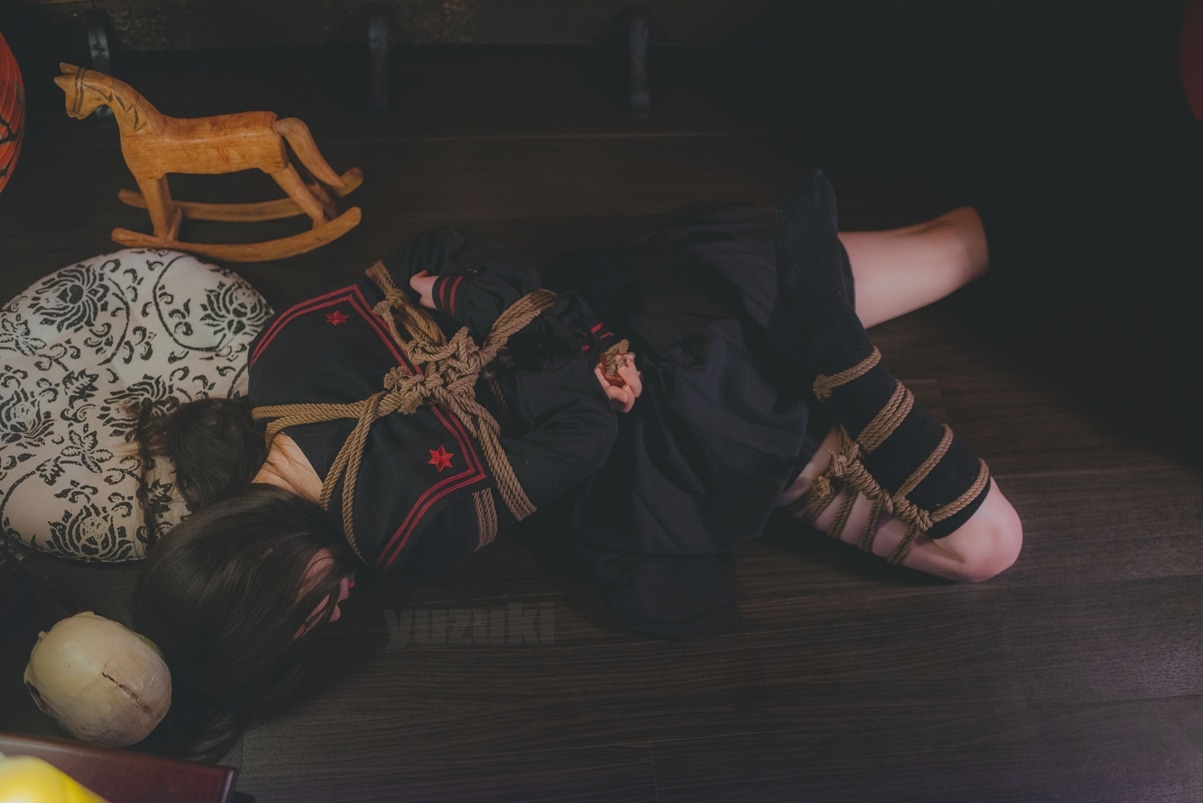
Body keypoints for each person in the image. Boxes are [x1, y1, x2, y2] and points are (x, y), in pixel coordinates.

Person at [131, 169, 1021, 749]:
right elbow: (436, 254)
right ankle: (832, 334)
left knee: (987, 548)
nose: (333, 613)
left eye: (307, 618)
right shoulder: (275, 360)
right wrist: (481, 308)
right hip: (652, 290)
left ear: (268, 574)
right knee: (965, 239)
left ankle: (843, 364)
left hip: (692, 425)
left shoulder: (404, 534)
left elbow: (587, 437)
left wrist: (584, 385)